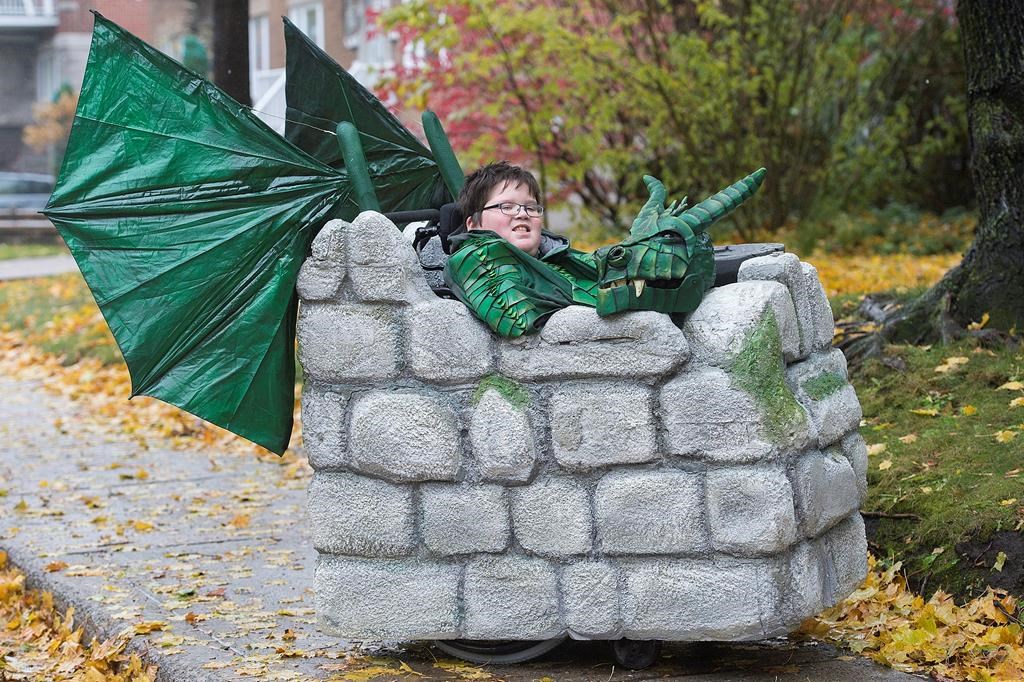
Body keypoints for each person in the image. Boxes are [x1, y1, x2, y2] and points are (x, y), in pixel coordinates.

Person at [443, 162, 602, 338]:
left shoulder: (560, 256)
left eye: (531, 207)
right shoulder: (474, 257)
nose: (523, 214)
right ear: (473, 224)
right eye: (506, 207)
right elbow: (519, 321)